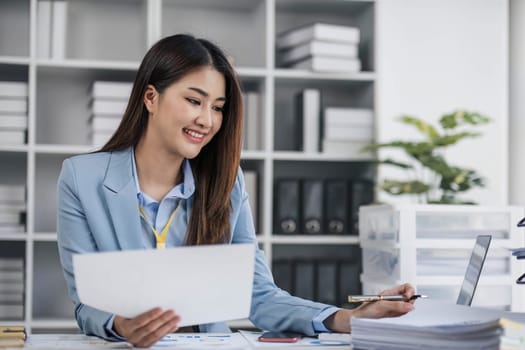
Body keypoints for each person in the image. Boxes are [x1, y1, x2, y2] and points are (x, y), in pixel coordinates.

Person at [56, 34, 415, 348]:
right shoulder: (81, 178)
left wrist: (346, 318)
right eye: (194, 101)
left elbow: (257, 294)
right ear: (151, 97)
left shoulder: (226, 182)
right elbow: (87, 304)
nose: (207, 121)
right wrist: (122, 325)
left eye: (218, 108)